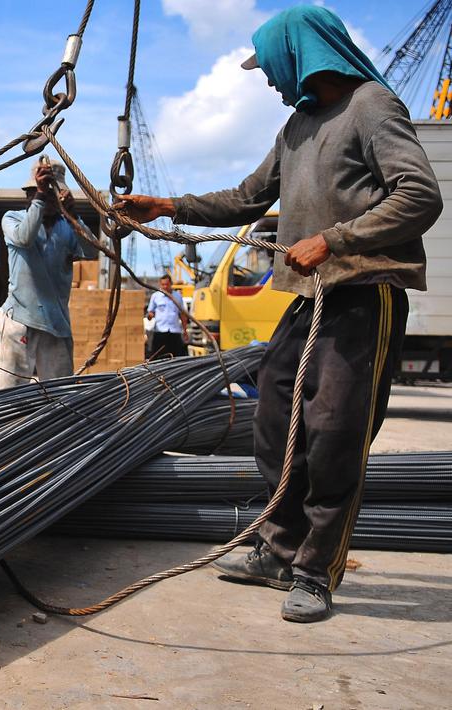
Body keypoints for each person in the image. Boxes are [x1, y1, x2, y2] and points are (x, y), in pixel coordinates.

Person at [114, 6, 442, 622]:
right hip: (309, 298)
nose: (267, 79)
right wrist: (167, 206)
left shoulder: (373, 106)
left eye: (269, 67)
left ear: (300, 54)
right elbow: (247, 198)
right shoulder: (296, 127)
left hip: (364, 293)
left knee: (335, 435)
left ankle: (316, 572)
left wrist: (334, 240)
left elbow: (421, 195)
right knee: (272, 419)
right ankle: (279, 550)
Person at [0, 158, 97, 389]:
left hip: (56, 322)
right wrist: (41, 197)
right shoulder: (13, 218)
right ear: (30, 194)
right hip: (20, 318)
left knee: (60, 393)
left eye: (53, 194)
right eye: (43, 193)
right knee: (9, 393)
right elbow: (24, 238)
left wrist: (74, 216)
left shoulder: (67, 226)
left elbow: (91, 251)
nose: (50, 199)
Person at [146, 274, 188, 359]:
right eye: (163, 285)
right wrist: (150, 316)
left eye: (167, 284)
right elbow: (150, 312)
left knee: (176, 357)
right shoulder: (155, 296)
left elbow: (182, 315)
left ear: (171, 284)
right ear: (160, 285)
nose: (165, 286)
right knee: (158, 357)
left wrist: (185, 330)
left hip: (174, 332)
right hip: (160, 332)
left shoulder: (177, 296)